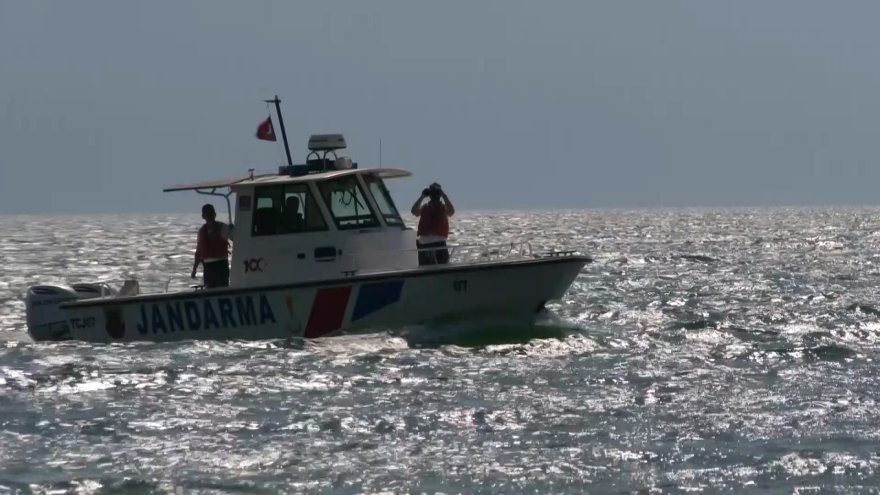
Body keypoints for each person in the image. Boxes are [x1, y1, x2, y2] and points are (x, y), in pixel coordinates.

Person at [410, 182, 455, 265]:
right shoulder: (425, 207)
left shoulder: (443, 208)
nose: (435, 196)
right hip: (426, 244)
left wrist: (444, 196)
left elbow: (451, 212)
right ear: (430, 195)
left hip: (435, 243)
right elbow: (414, 211)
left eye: (437, 193)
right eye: (434, 193)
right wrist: (422, 196)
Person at [191, 204, 234, 288]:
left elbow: (235, 238)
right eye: (208, 214)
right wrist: (194, 269)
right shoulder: (202, 231)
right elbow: (198, 252)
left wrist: (233, 230)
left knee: (218, 288)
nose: (209, 216)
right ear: (203, 216)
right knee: (214, 288)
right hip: (209, 267)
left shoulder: (222, 228)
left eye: (210, 214)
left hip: (220, 265)